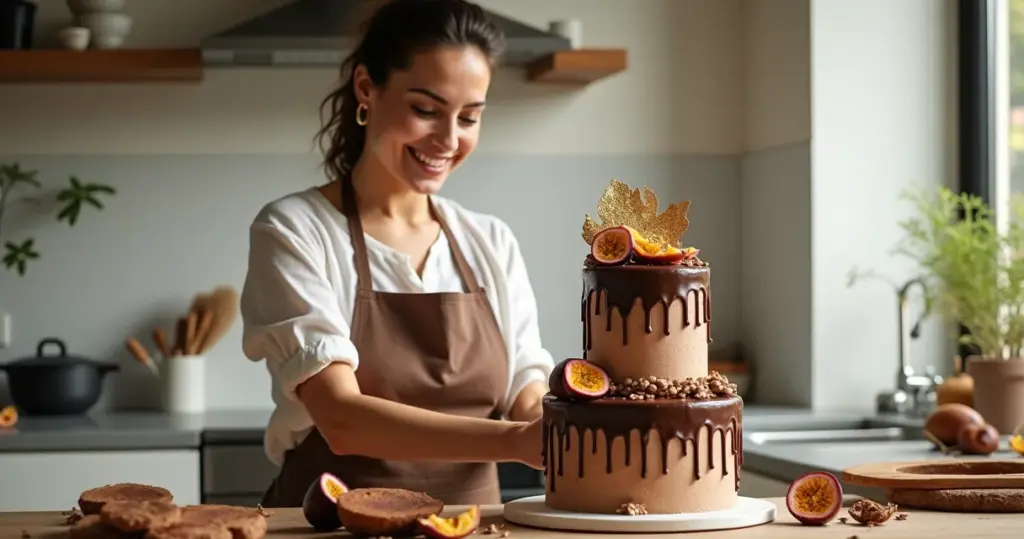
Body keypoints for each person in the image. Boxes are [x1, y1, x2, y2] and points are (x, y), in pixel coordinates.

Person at [239, 0, 555, 507]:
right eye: (426, 110)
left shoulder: (490, 241)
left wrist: (554, 423)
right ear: (367, 88)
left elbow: (526, 386)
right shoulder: (295, 229)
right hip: (330, 523)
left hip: (469, 523)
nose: (449, 140)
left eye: (470, 117)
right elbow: (341, 418)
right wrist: (515, 442)